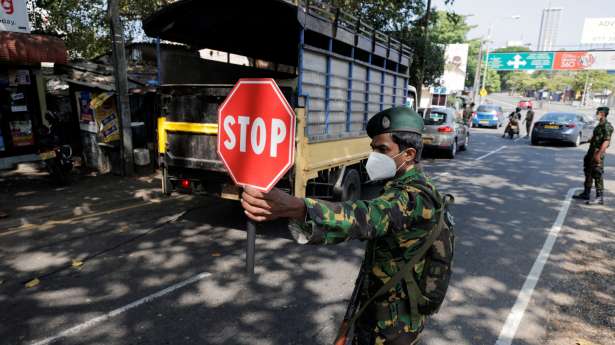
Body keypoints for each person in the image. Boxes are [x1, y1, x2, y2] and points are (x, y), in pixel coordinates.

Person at [241, 107, 443, 345]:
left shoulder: (416, 197)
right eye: (373, 148)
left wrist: (299, 208)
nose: (374, 155)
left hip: (394, 326)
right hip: (379, 310)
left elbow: (365, 217)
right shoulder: (403, 185)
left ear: (408, 154)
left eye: (382, 149)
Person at [573, 107, 613, 204]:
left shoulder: (607, 126)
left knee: (597, 173)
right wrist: (591, 139)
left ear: (602, 114)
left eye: (597, 112)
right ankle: (586, 193)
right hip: (591, 152)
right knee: (588, 172)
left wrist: (599, 155)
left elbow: (606, 142)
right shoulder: (599, 125)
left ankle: (599, 197)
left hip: (597, 153)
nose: (596, 114)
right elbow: (598, 137)